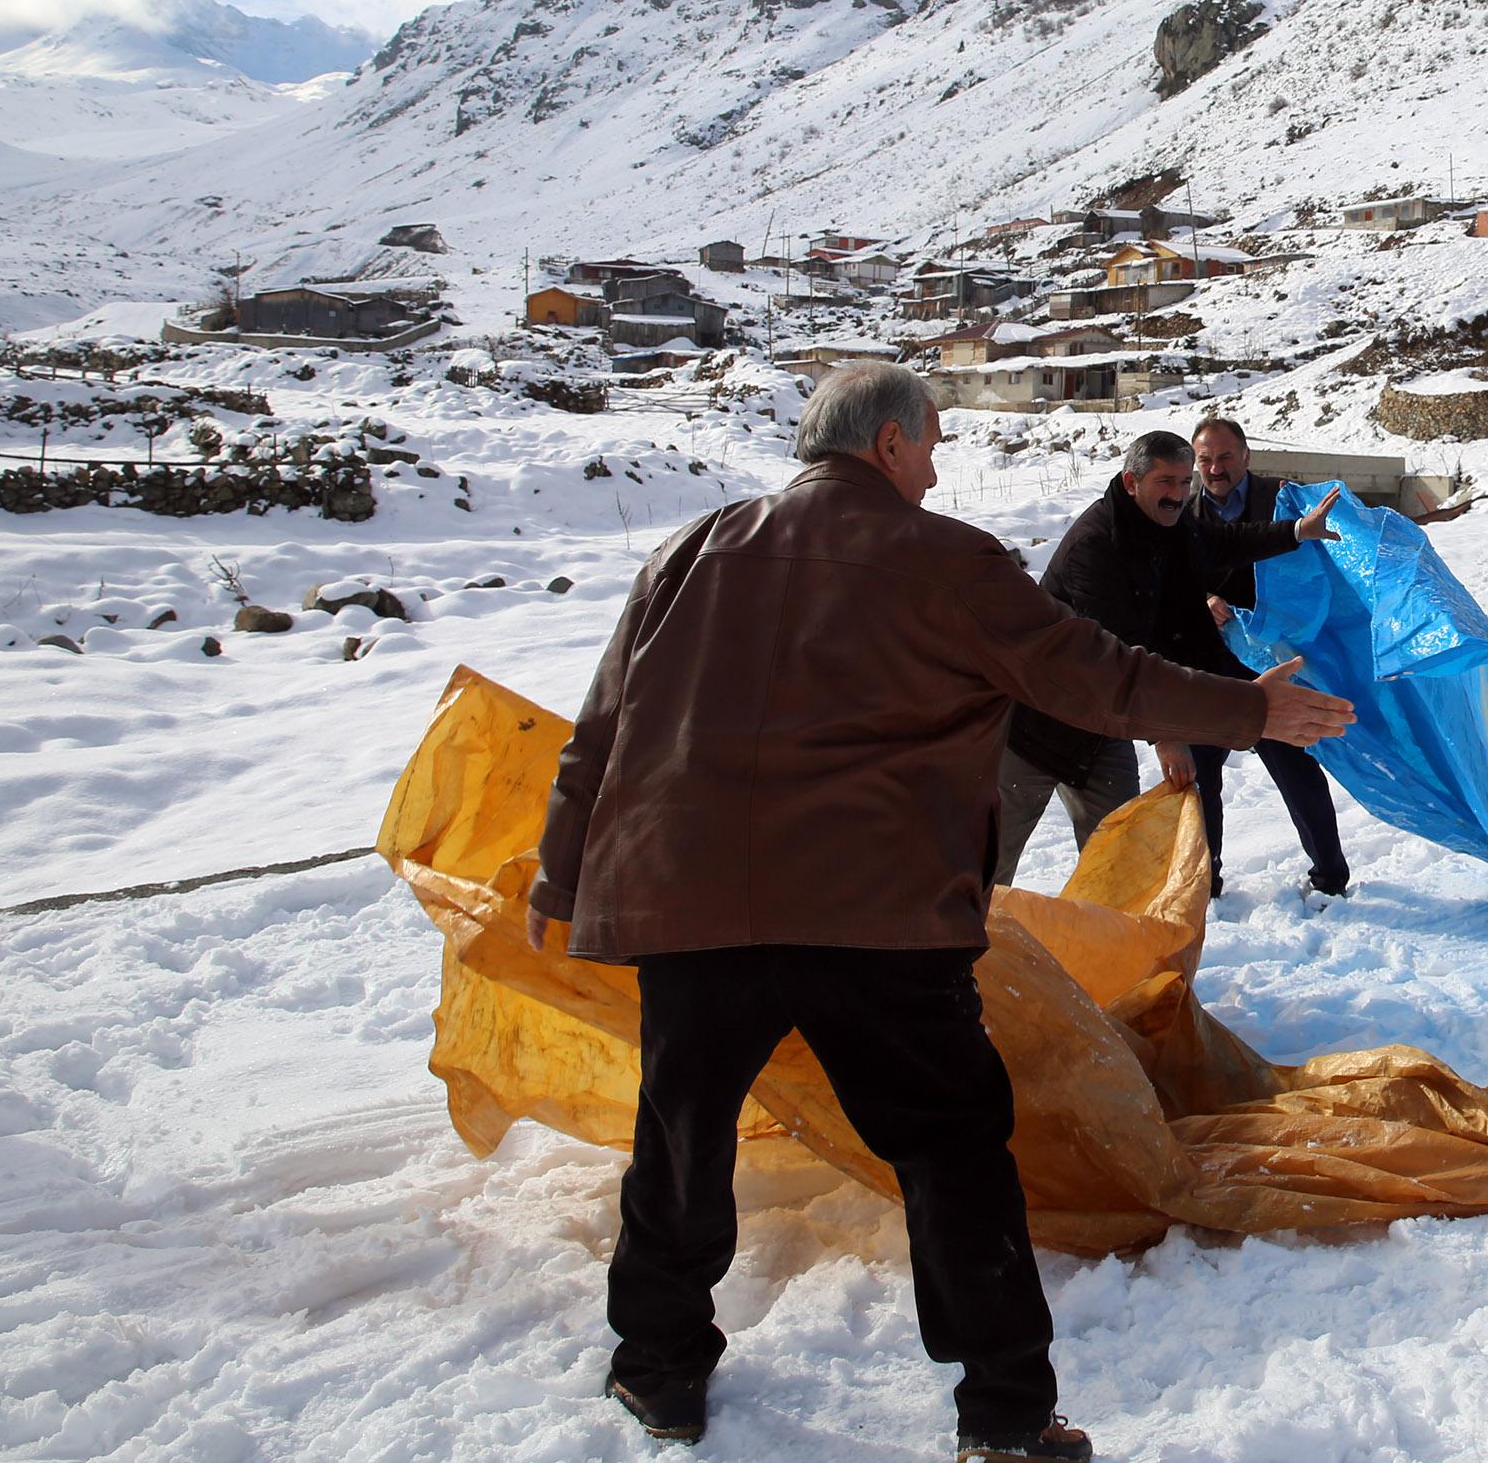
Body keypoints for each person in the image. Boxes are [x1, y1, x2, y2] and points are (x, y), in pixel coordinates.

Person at [523, 364, 1353, 1457]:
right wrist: (1248, 710)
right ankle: (1006, 1415)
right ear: (888, 447)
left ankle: (659, 1367)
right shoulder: (946, 558)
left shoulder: (689, 549)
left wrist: (560, 869)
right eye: (932, 444)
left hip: (691, 902)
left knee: (680, 1135)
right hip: (876, 914)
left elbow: (603, 727)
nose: (938, 464)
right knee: (954, 1150)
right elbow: (1093, 676)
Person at [1001, 429, 1342, 896]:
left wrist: (1296, 531)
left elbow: (1225, 542)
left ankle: (1112, 961)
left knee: (1118, 862)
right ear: (1130, 482)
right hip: (1037, 727)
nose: (1179, 495)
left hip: (1105, 726)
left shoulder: (1172, 526)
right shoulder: (1095, 548)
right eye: (1166, 482)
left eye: (1185, 483)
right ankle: (955, 959)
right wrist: (1167, 734)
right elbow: (1116, 656)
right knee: (988, 863)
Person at [1190, 414, 1356, 896]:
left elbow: (1331, 559)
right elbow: (1169, 578)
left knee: (1294, 767)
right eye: (1205, 459)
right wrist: (1201, 599)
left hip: (1271, 661)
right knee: (1202, 779)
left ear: (1246, 456)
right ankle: (1207, 884)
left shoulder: (1280, 499)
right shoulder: (1182, 511)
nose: (1215, 468)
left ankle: (1330, 877)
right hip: (1205, 666)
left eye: (1224, 457)